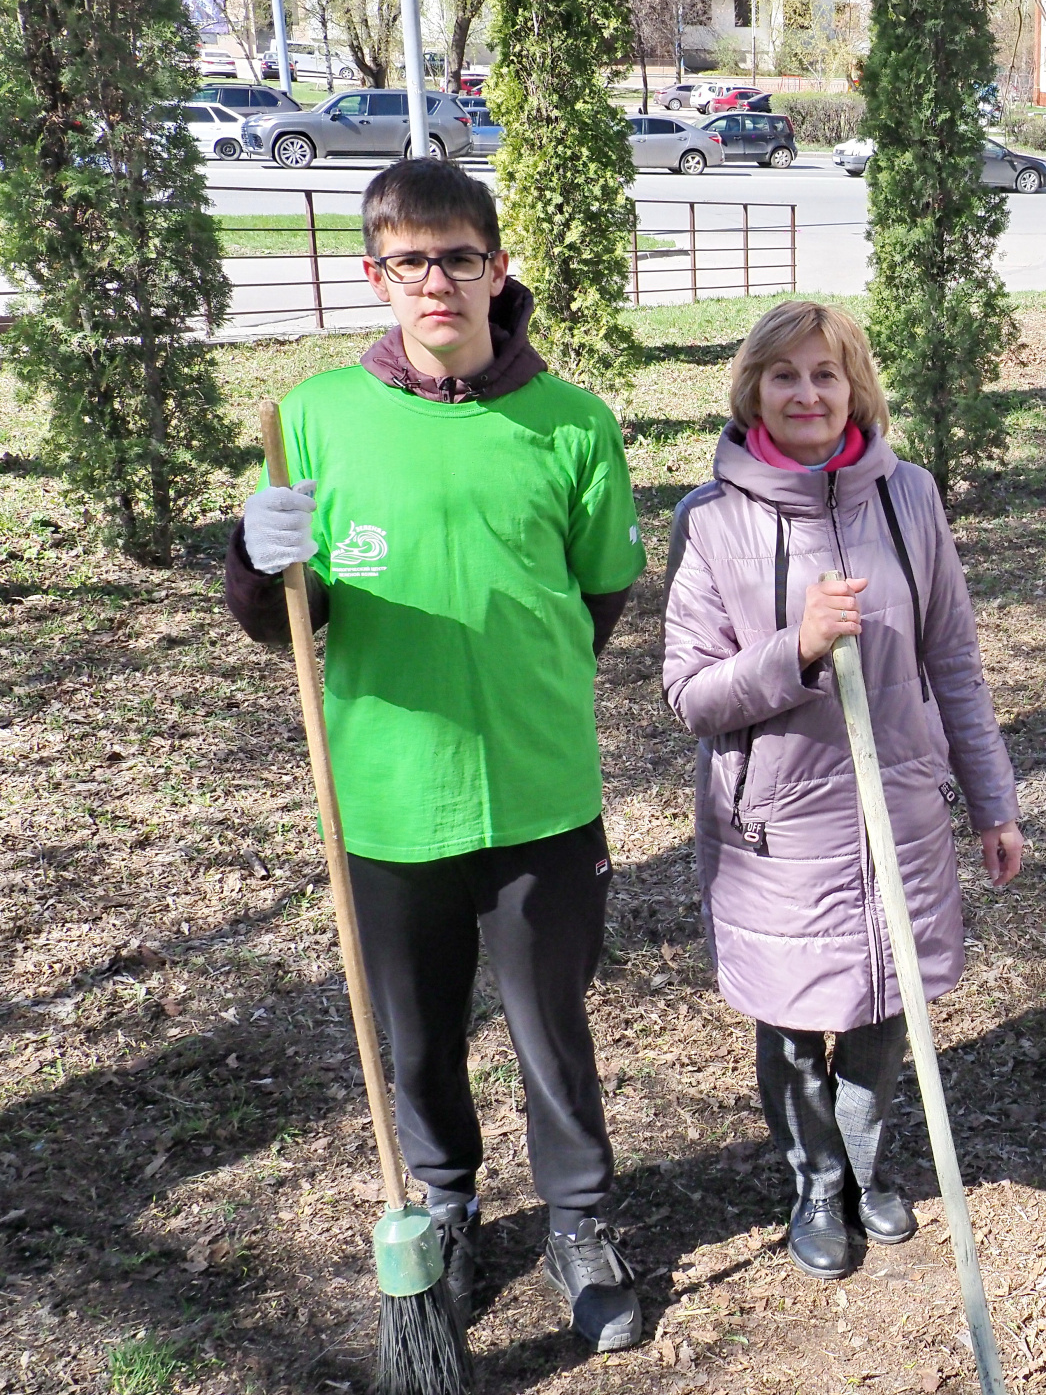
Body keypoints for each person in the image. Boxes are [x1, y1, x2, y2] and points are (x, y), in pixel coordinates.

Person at [224, 158, 648, 1349]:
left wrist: (520, 672)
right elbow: (283, 619)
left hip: (538, 791)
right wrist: (254, 558)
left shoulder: (571, 422)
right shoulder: (313, 419)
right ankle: (449, 1211)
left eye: (458, 257)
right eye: (408, 261)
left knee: (552, 1026)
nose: (435, 283)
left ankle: (579, 1222)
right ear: (376, 275)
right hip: (386, 797)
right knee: (418, 1036)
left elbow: (601, 594)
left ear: (495, 268)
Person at [662, 302, 1024, 1283]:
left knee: (881, 1006)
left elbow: (955, 660)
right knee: (791, 1022)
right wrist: (797, 648)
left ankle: (865, 1165)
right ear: (753, 390)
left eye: (826, 373)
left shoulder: (909, 497)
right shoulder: (712, 520)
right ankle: (815, 1182)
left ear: (855, 386)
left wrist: (992, 801)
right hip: (777, 826)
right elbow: (691, 694)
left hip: (900, 811)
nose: (807, 393)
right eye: (784, 375)